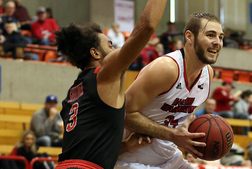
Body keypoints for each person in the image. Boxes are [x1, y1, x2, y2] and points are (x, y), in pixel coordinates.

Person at [54, 1, 167, 168]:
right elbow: (147, 26)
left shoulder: (74, 93)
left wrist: (126, 146)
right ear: (95, 53)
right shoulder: (105, 74)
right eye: (110, 45)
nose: (116, 50)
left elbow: (85, 150)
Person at [116, 12, 224, 169]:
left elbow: (176, 112)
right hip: (132, 159)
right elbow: (122, 113)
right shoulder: (166, 68)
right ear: (189, 36)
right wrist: (172, 135)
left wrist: (188, 130)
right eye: (210, 35)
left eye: (220, 37)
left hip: (170, 158)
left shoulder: (208, 74)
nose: (217, 42)